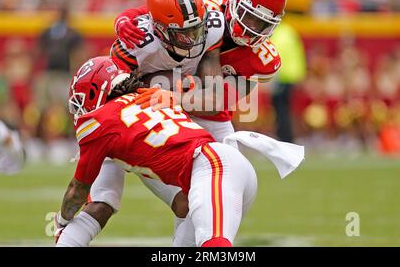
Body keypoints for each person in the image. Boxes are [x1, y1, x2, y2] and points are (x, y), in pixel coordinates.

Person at [55, 56, 257, 247]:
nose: (81, 111)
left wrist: (62, 221)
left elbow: (78, 190)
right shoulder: (149, 96)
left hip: (212, 167)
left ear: (95, 92)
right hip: (221, 167)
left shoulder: (99, 122)